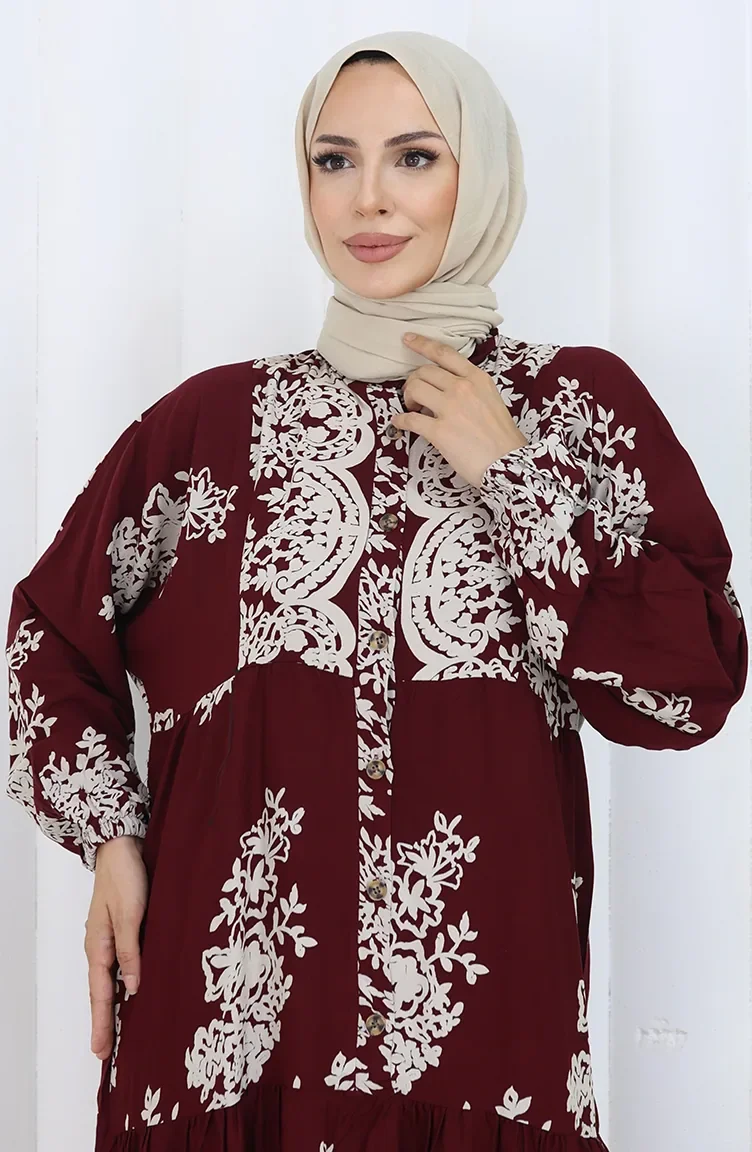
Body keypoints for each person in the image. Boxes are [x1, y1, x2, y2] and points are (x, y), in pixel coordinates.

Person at [5, 27, 747, 1152]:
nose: (368, 199)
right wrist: (110, 841)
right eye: (333, 159)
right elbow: (48, 639)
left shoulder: (571, 409)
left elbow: (688, 687)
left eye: (414, 157)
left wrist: (514, 474)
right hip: (222, 1036)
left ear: (479, 175)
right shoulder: (207, 426)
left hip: (486, 1048)